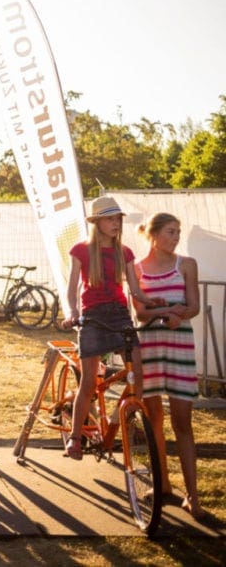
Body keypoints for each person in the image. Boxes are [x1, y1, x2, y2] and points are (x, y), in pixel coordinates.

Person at [60, 196, 162, 461]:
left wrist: (152, 301)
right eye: (110, 219)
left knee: (137, 373)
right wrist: (72, 313)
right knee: (88, 382)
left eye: (118, 219)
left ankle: (124, 419)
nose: (116, 223)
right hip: (93, 316)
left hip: (119, 315)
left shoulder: (124, 252)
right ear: (97, 223)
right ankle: (75, 437)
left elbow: (135, 290)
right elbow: (72, 288)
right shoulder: (81, 250)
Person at [132, 212, 206, 519]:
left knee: (182, 422)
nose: (176, 237)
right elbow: (139, 313)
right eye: (170, 232)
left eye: (178, 232)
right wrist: (164, 312)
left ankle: (192, 496)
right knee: (154, 421)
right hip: (149, 349)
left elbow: (194, 306)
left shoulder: (187, 264)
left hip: (180, 349)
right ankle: (162, 484)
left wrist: (179, 314)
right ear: (153, 235)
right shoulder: (136, 268)